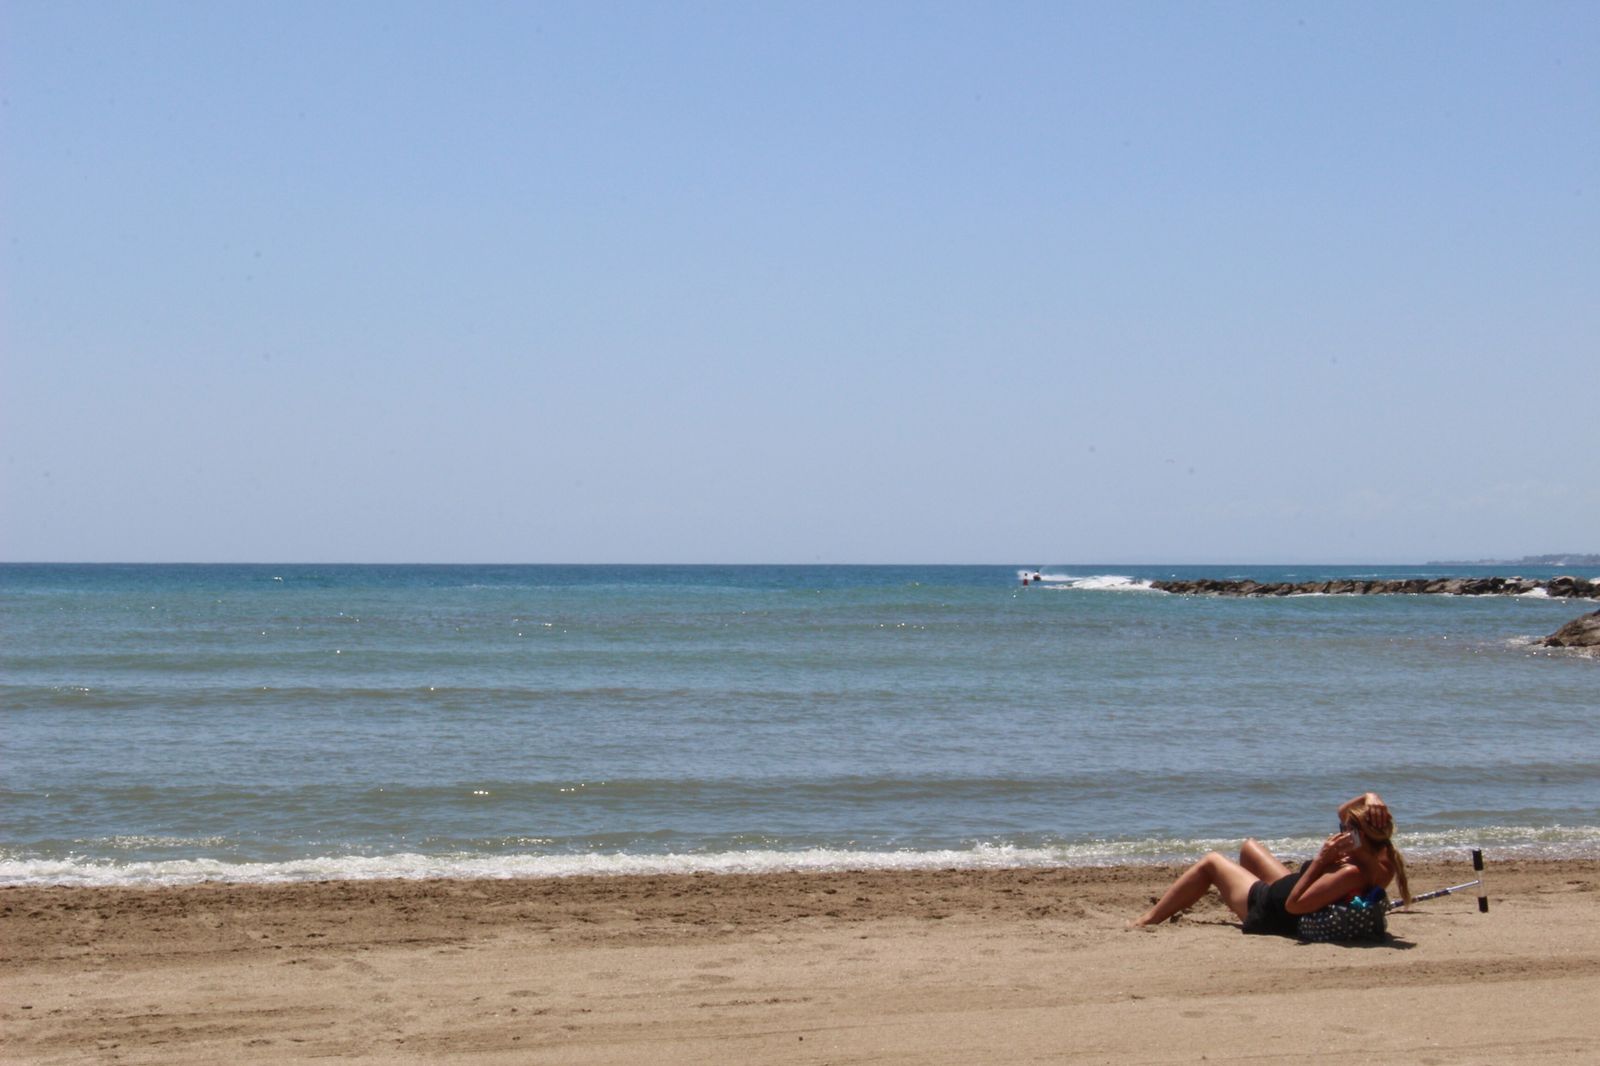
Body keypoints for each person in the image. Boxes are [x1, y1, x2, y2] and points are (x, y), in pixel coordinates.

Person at [1131, 792, 1412, 934]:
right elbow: (1344, 811)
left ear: (1357, 836)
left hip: (1269, 909)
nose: (1339, 830)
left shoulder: (1351, 872)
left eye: (1345, 828)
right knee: (1249, 848)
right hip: (1286, 887)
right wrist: (1370, 796)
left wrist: (1321, 860)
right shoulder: (1381, 858)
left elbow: (1294, 905)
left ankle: (1147, 920)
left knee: (1212, 862)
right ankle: (1233, 895)